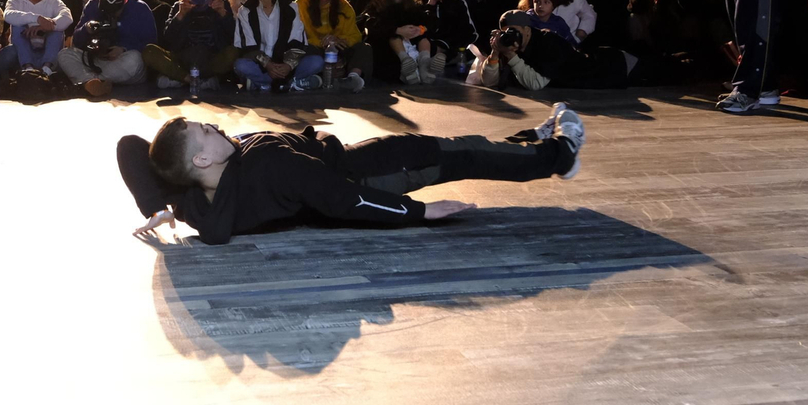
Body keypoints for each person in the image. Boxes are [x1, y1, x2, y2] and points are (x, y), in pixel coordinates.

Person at [117, 104, 586, 246]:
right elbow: (346, 200)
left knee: (464, 150)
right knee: (460, 155)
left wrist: (157, 206)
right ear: (201, 160)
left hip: (338, 169)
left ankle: (533, 140)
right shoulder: (272, 168)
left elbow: (131, 148)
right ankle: (560, 154)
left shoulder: (195, 198)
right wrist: (419, 211)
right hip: (368, 175)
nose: (215, 125)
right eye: (206, 131)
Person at [479, 10, 642, 90]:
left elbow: (536, 83)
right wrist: (495, 52)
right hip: (605, 72)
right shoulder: (506, 44)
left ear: (527, 30)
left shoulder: (547, 42)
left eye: (514, 31)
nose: (510, 36)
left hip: (615, 67)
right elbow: (489, 82)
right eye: (506, 32)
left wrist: (510, 54)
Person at [56, 0, 157, 97]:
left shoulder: (140, 8)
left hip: (123, 61)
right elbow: (76, 41)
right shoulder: (92, 5)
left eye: (116, 10)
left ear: (125, 1)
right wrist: (86, 29)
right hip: (96, 61)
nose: (111, 14)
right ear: (100, 1)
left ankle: (87, 81)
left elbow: (151, 42)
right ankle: (94, 83)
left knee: (135, 60)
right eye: (106, 10)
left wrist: (124, 48)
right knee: (64, 54)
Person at [232, 0, 321, 91]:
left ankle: (265, 84)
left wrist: (288, 65)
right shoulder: (246, 10)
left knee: (317, 62)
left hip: (287, 65)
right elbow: (248, 46)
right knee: (240, 65)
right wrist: (268, 65)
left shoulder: (290, 4)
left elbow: (297, 39)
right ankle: (289, 84)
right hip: (261, 66)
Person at [143, 0, 234, 91]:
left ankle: (181, 80)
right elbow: (167, 38)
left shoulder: (221, 5)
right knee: (149, 51)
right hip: (183, 59)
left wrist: (223, 14)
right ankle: (190, 79)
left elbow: (234, 36)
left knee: (234, 52)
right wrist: (181, 15)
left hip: (210, 59)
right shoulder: (178, 7)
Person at [296, 0, 369, 91]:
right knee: (307, 50)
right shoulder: (300, 5)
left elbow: (355, 35)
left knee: (364, 48)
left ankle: (352, 79)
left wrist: (339, 41)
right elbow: (297, 36)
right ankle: (317, 79)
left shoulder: (344, 6)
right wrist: (323, 42)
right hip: (316, 49)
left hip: (339, 48)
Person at [3, 0, 72, 72]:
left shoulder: (53, 1)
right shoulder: (15, 0)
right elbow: (8, 15)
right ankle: (28, 69)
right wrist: (37, 19)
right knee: (17, 26)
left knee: (56, 28)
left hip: (48, 53)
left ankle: (47, 70)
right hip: (22, 56)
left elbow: (67, 17)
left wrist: (46, 26)